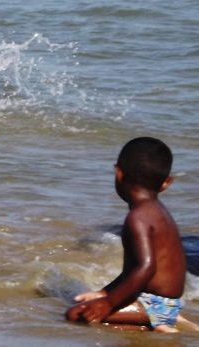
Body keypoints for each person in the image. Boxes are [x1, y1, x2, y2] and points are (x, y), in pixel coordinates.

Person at [65, 137, 196, 333]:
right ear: (165, 183)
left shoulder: (138, 218)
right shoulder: (159, 212)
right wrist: (103, 293)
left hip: (153, 304)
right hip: (165, 302)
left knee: (76, 314)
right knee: (95, 312)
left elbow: (146, 268)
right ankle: (162, 320)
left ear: (119, 174)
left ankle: (155, 323)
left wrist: (108, 303)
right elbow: (133, 271)